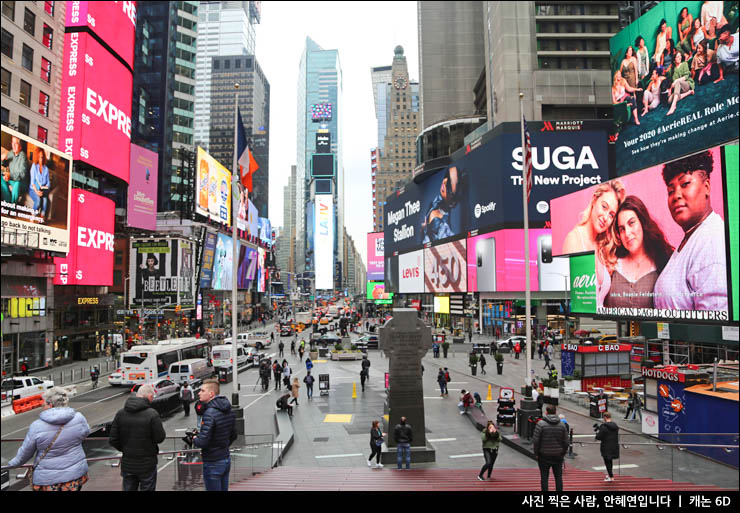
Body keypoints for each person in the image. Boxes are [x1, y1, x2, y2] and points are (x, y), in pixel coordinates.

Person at [653, 151, 727, 312]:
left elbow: (715, 325)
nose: (676, 195)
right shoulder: (692, 238)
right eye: (670, 191)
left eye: (685, 184)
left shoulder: (712, 240)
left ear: (706, 187)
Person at [9, 387, 90, 491]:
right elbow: (85, 433)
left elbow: (25, 453)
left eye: (45, 403)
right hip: (74, 476)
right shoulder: (79, 418)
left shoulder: (37, 426)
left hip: (48, 479)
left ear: (50, 405)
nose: (43, 405)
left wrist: (12, 465)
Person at [562, 180, 626, 307]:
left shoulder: (602, 247)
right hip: (584, 322)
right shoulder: (574, 239)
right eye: (604, 207)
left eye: (611, 215)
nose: (605, 217)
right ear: (594, 200)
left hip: (601, 323)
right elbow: (573, 300)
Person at [604, 196, 674, 308]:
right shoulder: (613, 264)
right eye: (622, 229)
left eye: (631, 223)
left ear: (642, 223)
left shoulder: (663, 262)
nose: (627, 233)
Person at [109, 384, 166, 491]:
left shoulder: (121, 413)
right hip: (147, 464)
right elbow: (160, 438)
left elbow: (113, 439)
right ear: (149, 396)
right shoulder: (152, 414)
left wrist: (125, 448)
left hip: (128, 464)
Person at [192, 379, 238, 491]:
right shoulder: (228, 409)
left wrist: (194, 439)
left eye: (202, 390)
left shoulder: (209, 413)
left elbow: (203, 441)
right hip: (225, 458)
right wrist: (223, 445)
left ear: (211, 394)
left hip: (213, 462)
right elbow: (234, 435)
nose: (199, 393)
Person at [421, 166, 467, 243]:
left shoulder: (445, 224)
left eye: (449, 186)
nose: (444, 183)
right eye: (446, 178)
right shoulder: (435, 204)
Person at [532, 405, 569, 492]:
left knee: (544, 477)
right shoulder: (562, 425)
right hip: (558, 455)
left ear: (546, 412)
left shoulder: (540, 424)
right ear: (555, 412)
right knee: (558, 477)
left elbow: (536, 441)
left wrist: (536, 454)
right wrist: (563, 452)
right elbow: (566, 442)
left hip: (544, 455)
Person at [1, 135, 29, 205]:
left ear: (20, 146)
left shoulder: (23, 157)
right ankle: (7, 201)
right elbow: (4, 165)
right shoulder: (11, 153)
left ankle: (12, 207)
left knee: (17, 182)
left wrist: (10, 175)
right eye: (12, 143)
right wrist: (2, 160)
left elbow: (22, 175)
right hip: (12, 179)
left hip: (22, 182)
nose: (13, 145)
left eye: (16, 143)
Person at [666, 51, 695, 116]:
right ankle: (689, 92)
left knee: (678, 82)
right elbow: (671, 82)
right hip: (679, 88)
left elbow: (686, 76)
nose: (679, 58)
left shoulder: (684, 64)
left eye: (680, 56)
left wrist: (676, 81)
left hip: (686, 84)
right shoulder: (671, 70)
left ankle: (673, 106)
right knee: (669, 100)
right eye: (677, 56)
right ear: (674, 60)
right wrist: (670, 90)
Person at [596, 412, 620, 482]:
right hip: (614, 446)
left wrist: (598, 432)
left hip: (606, 446)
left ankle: (611, 477)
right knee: (610, 461)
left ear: (605, 417)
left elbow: (599, 437)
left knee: (607, 462)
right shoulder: (615, 426)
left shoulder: (604, 426)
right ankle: (610, 475)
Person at [28, 148, 50, 218]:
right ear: (36, 157)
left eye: (42, 157)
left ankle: (41, 218)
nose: (41, 159)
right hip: (33, 190)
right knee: (37, 200)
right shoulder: (34, 166)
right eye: (39, 157)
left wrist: (45, 188)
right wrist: (37, 192)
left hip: (42, 190)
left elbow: (48, 182)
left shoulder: (46, 168)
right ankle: (32, 217)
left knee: (45, 201)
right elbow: (32, 182)